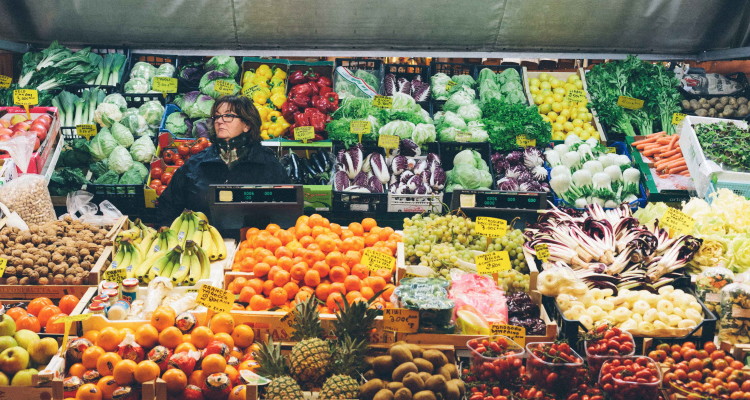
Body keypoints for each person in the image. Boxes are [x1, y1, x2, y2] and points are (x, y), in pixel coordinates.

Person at [158, 95, 289, 225]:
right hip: (205, 241)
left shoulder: (268, 164)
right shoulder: (196, 164)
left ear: (247, 125)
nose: (220, 121)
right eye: (217, 116)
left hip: (254, 242)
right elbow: (168, 206)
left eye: (228, 116)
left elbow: (286, 211)